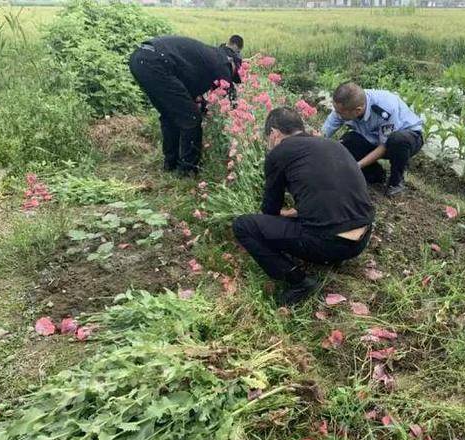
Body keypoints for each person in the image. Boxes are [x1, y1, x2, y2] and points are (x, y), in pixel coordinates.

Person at [233, 107, 375, 306]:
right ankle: (332, 256)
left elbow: (270, 210)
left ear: (274, 134)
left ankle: (299, 281)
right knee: (303, 221)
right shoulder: (333, 145)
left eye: (268, 139)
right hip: (362, 239)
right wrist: (295, 212)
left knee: (243, 225)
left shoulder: (280, 152)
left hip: (329, 244)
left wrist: (280, 217)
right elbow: (330, 192)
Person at [129, 35, 243, 176]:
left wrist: (202, 104)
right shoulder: (224, 63)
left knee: (170, 115)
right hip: (157, 62)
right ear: (233, 64)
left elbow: (188, 89)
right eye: (234, 75)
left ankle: (171, 164)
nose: (231, 77)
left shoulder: (208, 55)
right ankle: (188, 171)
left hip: (139, 59)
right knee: (191, 119)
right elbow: (226, 100)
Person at [322, 82, 424, 196]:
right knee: (348, 142)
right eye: (336, 110)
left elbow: (384, 146)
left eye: (340, 113)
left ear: (358, 110)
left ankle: (396, 182)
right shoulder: (345, 105)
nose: (336, 114)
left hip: (405, 138)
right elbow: (326, 132)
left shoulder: (385, 107)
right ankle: (376, 174)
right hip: (373, 138)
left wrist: (357, 165)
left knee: (397, 140)